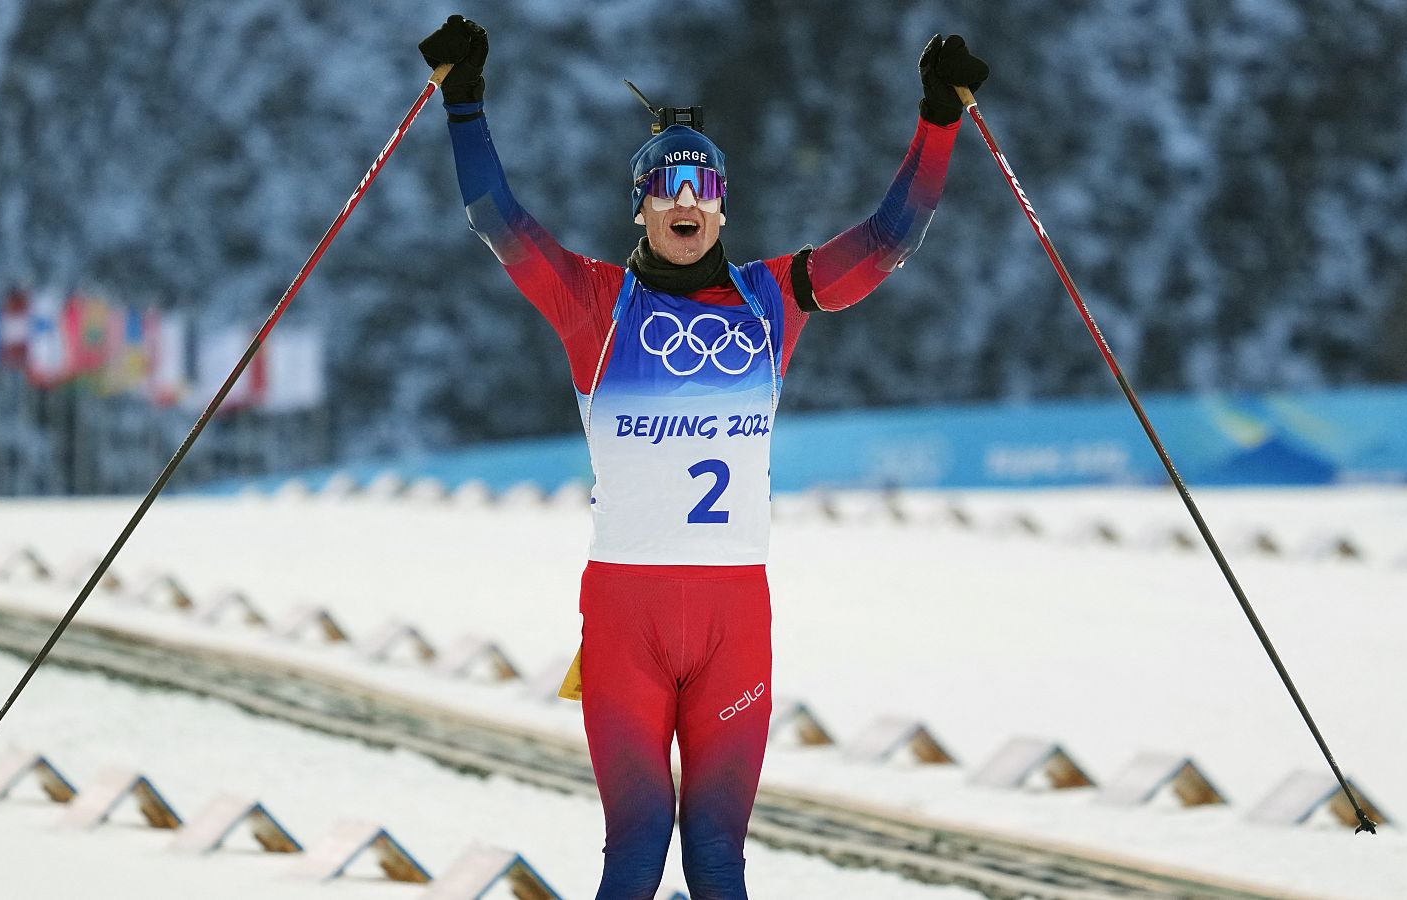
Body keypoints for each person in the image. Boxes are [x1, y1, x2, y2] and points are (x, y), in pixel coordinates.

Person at [418, 15, 987, 899]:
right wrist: (463, 100)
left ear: (722, 204)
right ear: (641, 204)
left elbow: (889, 240)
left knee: (717, 858)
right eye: (666, 186)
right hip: (625, 622)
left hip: (734, 623)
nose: (686, 201)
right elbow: (497, 218)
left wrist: (938, 120)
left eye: (703, 186)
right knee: (638, 848)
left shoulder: (774, 299)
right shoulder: (592, 305)